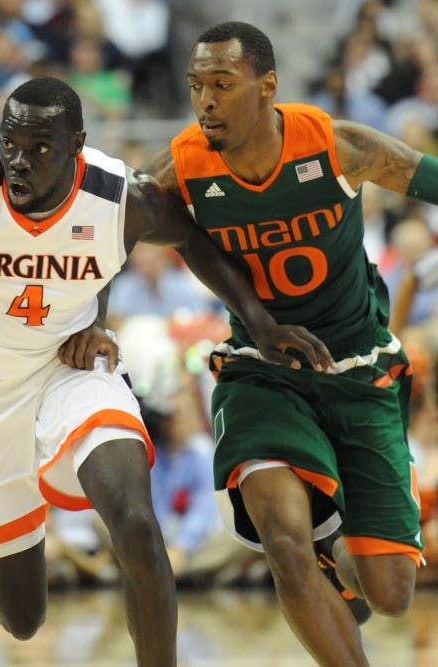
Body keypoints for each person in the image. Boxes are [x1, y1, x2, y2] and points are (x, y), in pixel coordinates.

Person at [0, 75, 331, 666]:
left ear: (77, 144)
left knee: (134, 521)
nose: (19, 162)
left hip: (67, 369)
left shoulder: (123, 197)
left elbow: (193, 242)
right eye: (11, 144)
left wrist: (259, 323)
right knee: (23, 618)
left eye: (40, 149)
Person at [144, 21, 438, 666]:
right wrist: (89, 318)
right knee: (284, 542)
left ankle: (341, 531)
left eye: (222, 84)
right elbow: (100, 229)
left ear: (266, 86)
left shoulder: (339, 146)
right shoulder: (182, 165)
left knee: (389, 595)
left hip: (360, 370)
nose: (206, 101)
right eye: (197, 86)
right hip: (261, 370)